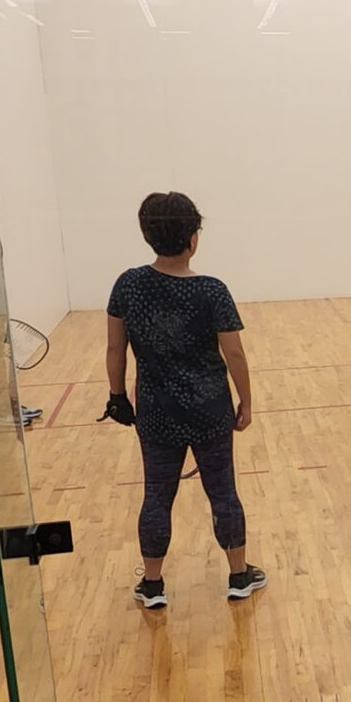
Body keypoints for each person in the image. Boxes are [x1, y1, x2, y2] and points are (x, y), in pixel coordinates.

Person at [104, 191, 264, 609]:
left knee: (157, 495)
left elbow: (115, 349)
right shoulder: (212, 290)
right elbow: (235, 353)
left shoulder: (129, 284)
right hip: (211, 409)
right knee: (223, 492)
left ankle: (153, 584)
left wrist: (117, 396)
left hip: (156, 412)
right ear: (194, 237)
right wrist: (245, 402)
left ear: (147, 234)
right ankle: (238, 575)